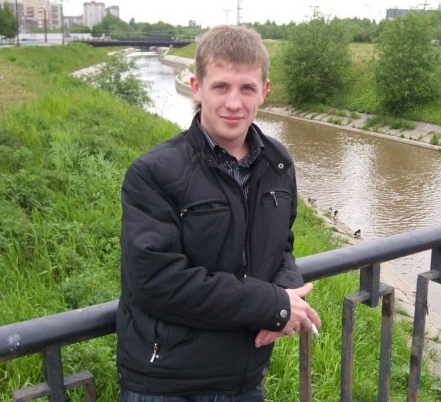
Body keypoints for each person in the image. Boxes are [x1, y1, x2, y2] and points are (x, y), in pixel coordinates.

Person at [116, 25, 321, 401]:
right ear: (196, 87)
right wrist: (273, 305)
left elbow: (281, 247)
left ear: (264, 91)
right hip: (168, 384)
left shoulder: (277, 163)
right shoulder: (155, 173)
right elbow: (156, 281)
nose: (234, 103)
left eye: (247, 88)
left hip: (244, 379)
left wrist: (287, 295)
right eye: (221, 87)